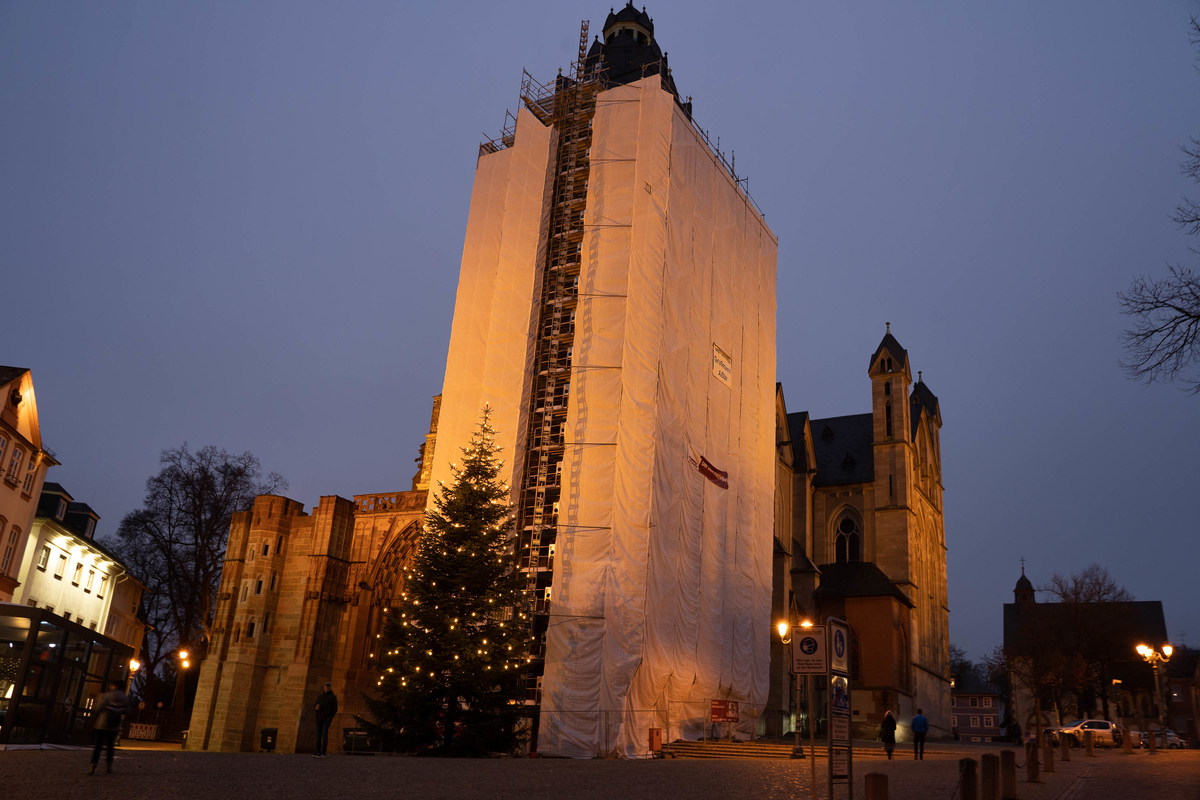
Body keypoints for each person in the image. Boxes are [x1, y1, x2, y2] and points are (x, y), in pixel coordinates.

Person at [89, 681, 129, 775]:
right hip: (114, 725)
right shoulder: (125, 698)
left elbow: (98, 707)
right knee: (110, 746)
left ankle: (93, 765)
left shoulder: (108, 695)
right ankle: (109, 765)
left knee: (98, 746)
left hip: (102, 724)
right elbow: (127, 711)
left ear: (116, 685)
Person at [314, 682, 338, 757]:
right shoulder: (320, 696)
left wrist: (329, 718)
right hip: (319, 718)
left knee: (324, 734)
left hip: (326, 719)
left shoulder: (333, 697)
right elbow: (316, 706)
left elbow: (334, 709)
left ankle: (323, 752)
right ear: (324, 687)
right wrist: (316, 708)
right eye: (326, 686)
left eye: (329, 687)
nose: (327, 688)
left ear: (330, 688)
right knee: (318, 735)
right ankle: (318, 751)